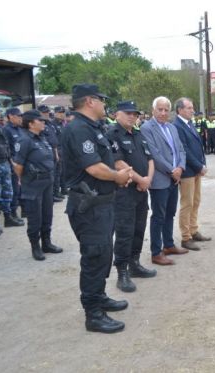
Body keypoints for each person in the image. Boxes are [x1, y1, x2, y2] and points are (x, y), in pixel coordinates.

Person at [62, 83, 132, 333]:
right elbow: (94, 168)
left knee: (103, 255)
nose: (105, 103)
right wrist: (117, 176)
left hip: (102, 204)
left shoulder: (94, 127)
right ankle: (93, 314)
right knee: (94, 257)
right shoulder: (79, 129)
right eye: (101, 99)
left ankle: (99, 297)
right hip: (88, 207)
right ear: (90, 101)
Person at [106, 101, 157, 293]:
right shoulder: (112, 134)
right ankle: (122, 272)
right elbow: (118, 162)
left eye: (135, 114)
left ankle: (135, 264)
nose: (132, 116)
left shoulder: (138, 133)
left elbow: (149, 158)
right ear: (116, 114)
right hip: (124, 192)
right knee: (125, 232)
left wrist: (148, 179)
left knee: (139, 228)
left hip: (141, 191)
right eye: (127, 113)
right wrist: (140, 180)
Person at [141, 97, 188, 266]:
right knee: (158, 216)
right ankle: (156, 252)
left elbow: (181, 150)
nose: (163, 113)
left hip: (174, 179)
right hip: (161, 179)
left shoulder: (172, 127)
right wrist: (172, 171)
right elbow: (154, 154)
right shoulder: (146, 128)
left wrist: (180, 168)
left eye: (166, 110)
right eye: (159, 109)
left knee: (170, 213)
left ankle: (168, 245)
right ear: (153, 110)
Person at [12, 109, 62, 259]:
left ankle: (47, 243)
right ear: (31, 123)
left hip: (47, 181)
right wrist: (24, 179)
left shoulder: (41, 138)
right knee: (35, 217)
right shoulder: (24, 140)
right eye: (40, 120)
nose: (44, 122)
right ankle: (35, 247)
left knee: (47, 214)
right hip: (33, 183)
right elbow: (18, 165)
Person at [173, 97, 211, 251]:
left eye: (192, 107)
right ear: (180, 109)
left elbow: (198, 147)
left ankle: (194, 230)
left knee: (196, 201)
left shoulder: (189, 123)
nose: (192, 110)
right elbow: (185, 150)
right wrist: (198, 166)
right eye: (189, 108)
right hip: (187, 171)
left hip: (196, 170)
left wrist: (203, 164)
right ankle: (186, 237)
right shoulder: (177, 125)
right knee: (187, 203)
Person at [3, 108, 25, 224]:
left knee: (19, 190)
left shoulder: (19, 129)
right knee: (13, 190)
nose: (20, 118)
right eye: (18, 116)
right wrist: (13, 165)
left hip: (21, 163)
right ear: (10, 116)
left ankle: (16, 213)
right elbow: (8, 150)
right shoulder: (7, 130)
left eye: (21, 116)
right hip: (13, 165)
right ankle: (11, 215)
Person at [51, 106, 68, 198]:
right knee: (57, 173)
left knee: (63, 172)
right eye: (60, 113)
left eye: (63, 112)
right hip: (57, 151)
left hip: (63, 150)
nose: (62, 114)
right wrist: (56, 153)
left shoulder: (62, 124)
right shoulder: (52, 124)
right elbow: (54, 140)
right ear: (55, 113)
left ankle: (64, 189)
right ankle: (56, 192)